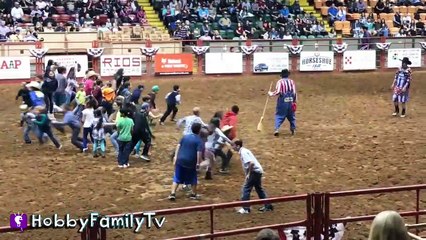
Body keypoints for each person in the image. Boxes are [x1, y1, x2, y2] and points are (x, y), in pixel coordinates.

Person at [233, 139, 273, 214]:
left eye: (233, 145)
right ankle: (268, 206)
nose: (232, 147)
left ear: (238, 146)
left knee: (246, 189)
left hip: (254, 172)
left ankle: (246, 208)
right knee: (259, 189)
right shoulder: (244, 150)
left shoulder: (243, 152)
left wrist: (248, 174)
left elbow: (251, 163)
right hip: (257, 171)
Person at [168, 122, 204, 201]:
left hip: (180, 160)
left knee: (177, 177)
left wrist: (175, 157)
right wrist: (198, 163)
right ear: (199, 130)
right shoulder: (199, 141)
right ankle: (193, 194)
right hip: (190, 162)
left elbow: (178, 146)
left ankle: (172, 193)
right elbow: (199, 153)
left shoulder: (185, 137)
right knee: (193, 178)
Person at [268, 69, 297, 137]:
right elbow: (294, 92)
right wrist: (294, 101)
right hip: (291, 100)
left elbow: (278, 91)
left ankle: (276, 129)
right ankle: (293, 129)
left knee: (279, 115)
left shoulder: (280, 82)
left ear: (281, 75)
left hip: (283, 101)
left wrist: (271, 93)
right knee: (291, 116)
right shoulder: (291, 82)